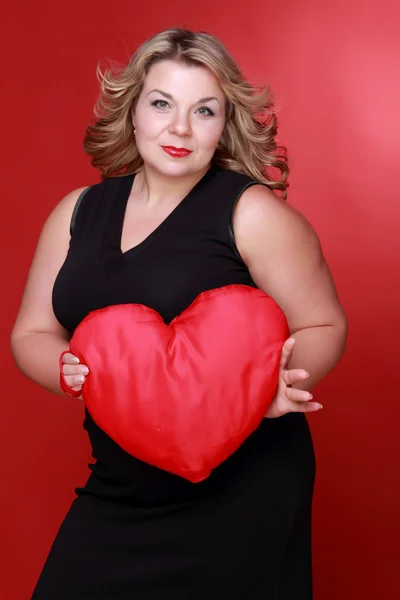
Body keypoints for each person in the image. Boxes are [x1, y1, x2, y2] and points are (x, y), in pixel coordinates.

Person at [11, 27, 348, 599]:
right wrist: (64, 367)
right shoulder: (78, 212)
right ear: (134, 110)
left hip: (241, 494)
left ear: (224, 126)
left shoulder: (252, 214)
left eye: (205, 110)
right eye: (162, 103)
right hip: (120, 485)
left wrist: (277, 386)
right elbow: (32, 332)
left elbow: (324, 323)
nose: (180, 128)